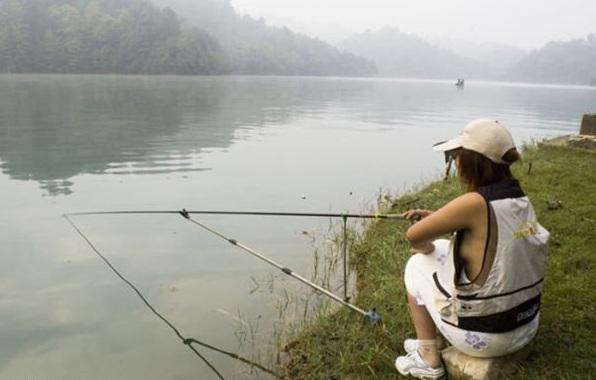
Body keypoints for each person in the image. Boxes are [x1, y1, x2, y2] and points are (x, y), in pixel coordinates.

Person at [394, 119, 549, 379]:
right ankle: (436, 341)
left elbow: (413, 236)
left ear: (472, 161)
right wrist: (439, 221)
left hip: (486, 338)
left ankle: (429, 358)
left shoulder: (474, 203)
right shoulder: (519, 199)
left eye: (456, 155)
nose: (454, 161)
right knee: (444, 247)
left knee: (417, 264)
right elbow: (491, 234)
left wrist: (425, 243)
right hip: (524, 325)